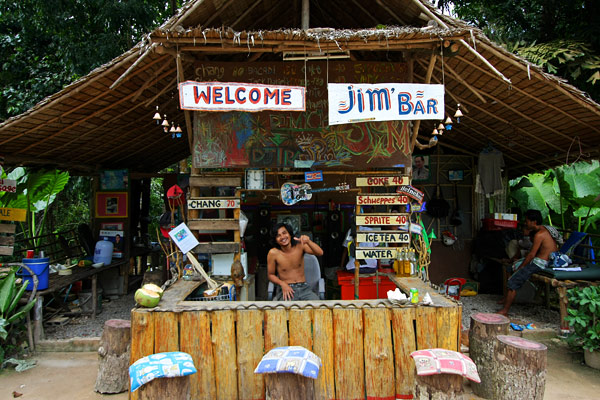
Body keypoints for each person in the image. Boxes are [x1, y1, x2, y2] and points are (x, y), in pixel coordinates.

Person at [497, 210, 559, 316]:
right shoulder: (543, 229)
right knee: (509, 269)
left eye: (527, 221)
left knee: (513, 281)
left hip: (540, 263)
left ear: (533, 222)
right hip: (541, 260)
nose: (525, 223)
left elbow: (531, 255)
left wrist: (521, 267)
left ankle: (505, 310)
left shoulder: (540, 234)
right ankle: (506, 298)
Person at [267, 223, 324, 301]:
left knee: (318, 307)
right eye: (278, 235)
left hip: (304, 289)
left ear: (290, 234)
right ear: (275, 240)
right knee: (284, 310)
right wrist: (282, 284)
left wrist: (308, 241)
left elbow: (320, 252)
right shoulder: (273, 253)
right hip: (287, 289)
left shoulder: (300, 246)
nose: (282, 237)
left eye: (284, 233)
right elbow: (270, 275)